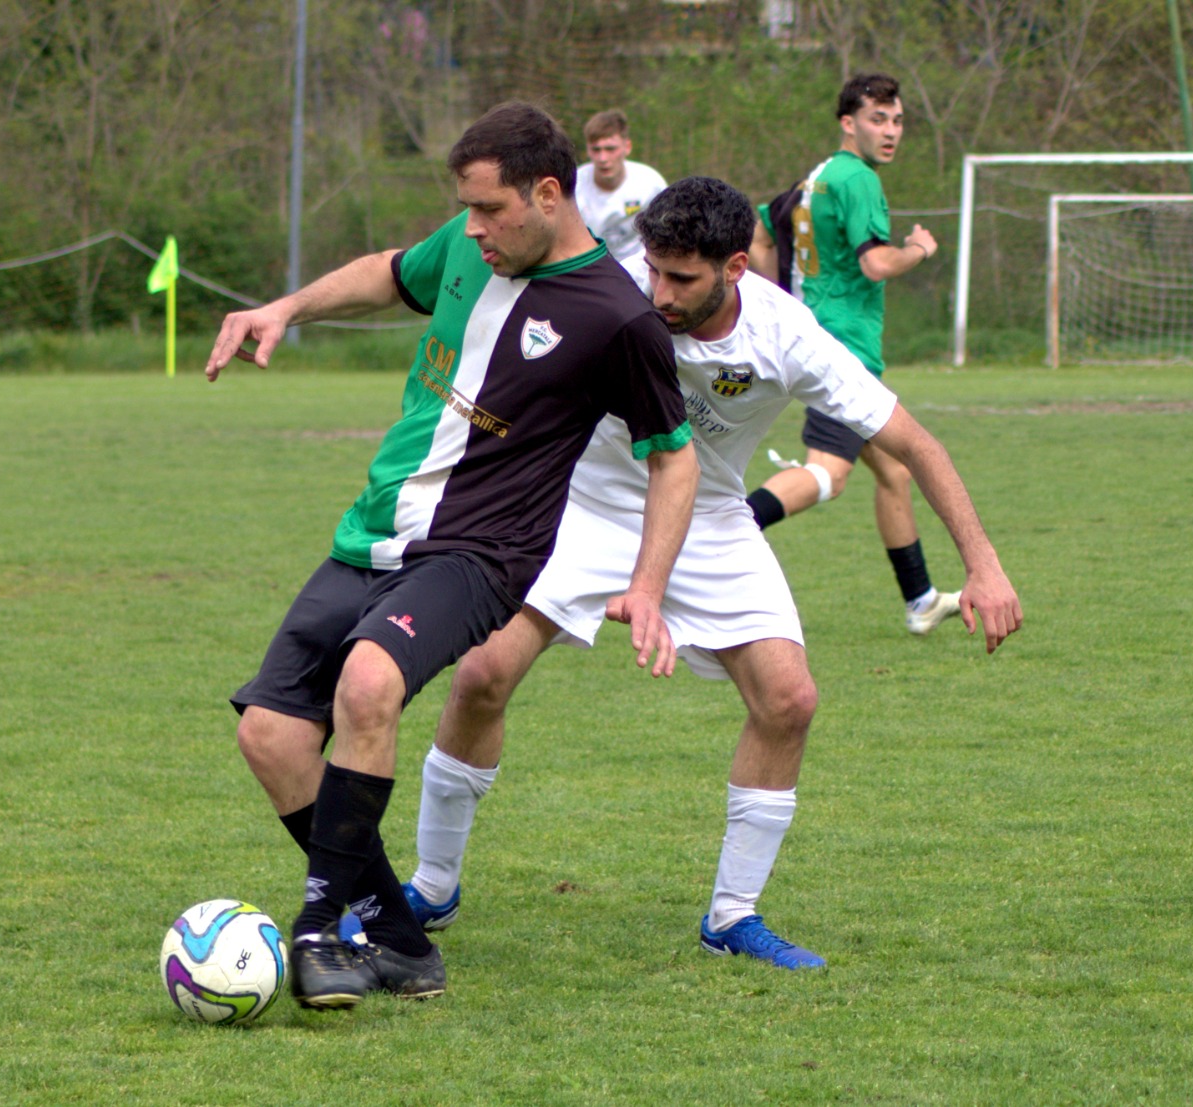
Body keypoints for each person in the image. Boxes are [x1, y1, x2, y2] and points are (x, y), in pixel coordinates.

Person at [401, 177, 1022, 971]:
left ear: (734, 267)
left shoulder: (785, 334)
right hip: (581, 503)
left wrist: (983, 564)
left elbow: (917, 444)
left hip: (710, 517)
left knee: (789, 698)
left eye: (682, 278)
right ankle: (432, 886)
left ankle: (732, 916)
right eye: (653, 270)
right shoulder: (612, 293)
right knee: (482, 673)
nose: (660, 293)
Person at [203, 101, 699, 1011]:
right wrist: (286, 308)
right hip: (373, 533)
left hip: (480, 553)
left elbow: (674, 456)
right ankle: (400, 940)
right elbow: (390, 273)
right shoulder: (474, 248)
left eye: (489, 209)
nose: (473, 228)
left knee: (367, 683)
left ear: (547, 195)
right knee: (269, 734)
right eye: (466, 209)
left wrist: (647, 585)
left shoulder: (618, 318)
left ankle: (318, 929)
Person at [745, 73, 956, 636]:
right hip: (844, 349)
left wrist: (785, 301)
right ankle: (719, 531)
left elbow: (760, 234)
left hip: (817, 336)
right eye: (877, 119)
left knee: (894, 471)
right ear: (848, 123)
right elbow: (876, 263)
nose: (890, 131)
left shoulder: (814, 179)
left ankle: (921, 599)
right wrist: (919, 248)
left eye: (897, 120)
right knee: (828, 474)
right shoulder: (859, 179)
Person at [574, 108, 668, 262]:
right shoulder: (573, 186)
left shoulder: (651, 183)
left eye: (610, 149)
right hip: (591, 265)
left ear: (627, 147)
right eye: (596, 150)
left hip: (640, 267)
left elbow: (666, 234)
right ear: (588, 150)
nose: (603, 158)